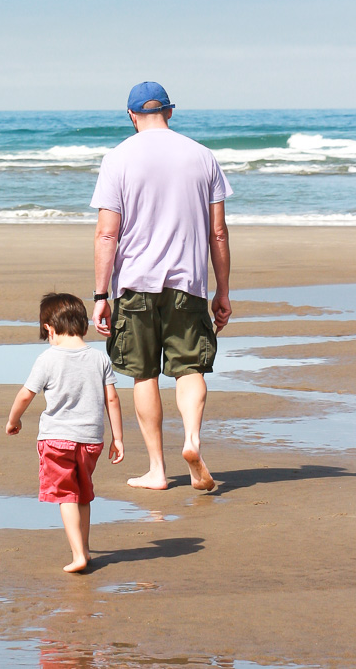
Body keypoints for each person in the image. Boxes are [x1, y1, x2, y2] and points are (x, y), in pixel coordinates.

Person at [91, 81, 232, 492]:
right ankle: (192, 440)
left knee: (143, 373)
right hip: (188, 283)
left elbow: (106, 234)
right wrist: (222, 291)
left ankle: (157, 469)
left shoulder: (118, 158)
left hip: (135, 283)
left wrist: (101, 295)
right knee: (189, 367)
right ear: (170, 112)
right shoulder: (203, 156)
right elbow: (218, 234)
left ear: (131, 116)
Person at [5, 292, 124, 574]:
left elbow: (25, 395)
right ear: (83, 324)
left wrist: (14, 419)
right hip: (91, 441)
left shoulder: (47, 359)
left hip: (56, 440)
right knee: (83, 494)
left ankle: (78, 554)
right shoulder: (99, 359)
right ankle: (84, 546)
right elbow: (113, 400)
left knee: (66, 495)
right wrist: (118, 438)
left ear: (49, 327)